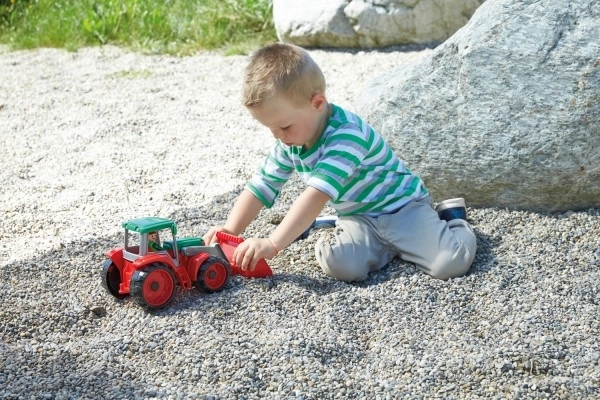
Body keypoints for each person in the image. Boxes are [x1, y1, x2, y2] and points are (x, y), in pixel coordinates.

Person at [203, 43, 476, 282]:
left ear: (317, 103)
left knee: (450, 264)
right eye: (271, 129)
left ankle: (451, 222)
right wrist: (230, 230)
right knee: (342, 266)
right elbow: (261, 186)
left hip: (403, 209)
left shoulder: (346, 136)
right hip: (359, 217)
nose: (278, 136)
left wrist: (274, 244)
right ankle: (387, 245)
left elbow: (315, 196)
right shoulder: (292, 140)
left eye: (284, 126)